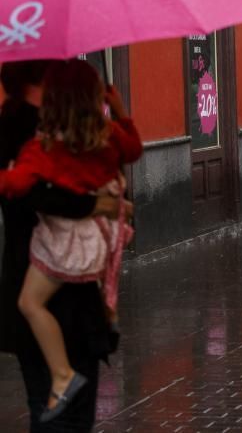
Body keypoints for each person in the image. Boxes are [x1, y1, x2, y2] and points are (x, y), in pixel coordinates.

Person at [1, 59, 142, 423]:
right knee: (53, 409)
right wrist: (99, 203)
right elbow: (30, 195)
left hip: (72, 288)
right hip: (48, 272)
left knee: (72, 410)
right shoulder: (22, 130)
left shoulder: (60, 131)